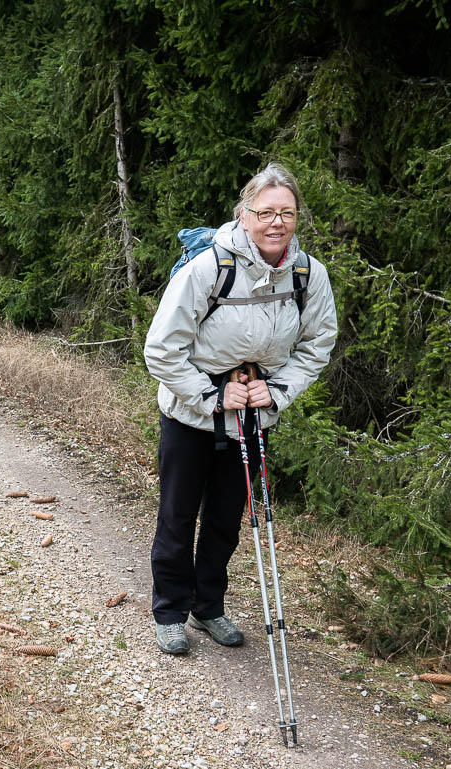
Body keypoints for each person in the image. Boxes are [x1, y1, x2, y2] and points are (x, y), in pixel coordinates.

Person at [143, 162, 337, 654]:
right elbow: (162, 349)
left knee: (227, 518)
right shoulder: (210, 267)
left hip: (253, 412)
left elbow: (318, 344)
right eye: (266, 212)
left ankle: (208, 608)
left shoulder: (307, 274)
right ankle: (169, 610)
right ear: (245, 215)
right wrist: (210, 398)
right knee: (179, 512)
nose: (277, 223)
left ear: (297, 218)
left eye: (287, 213)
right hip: (191, 412)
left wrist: (276, 391)